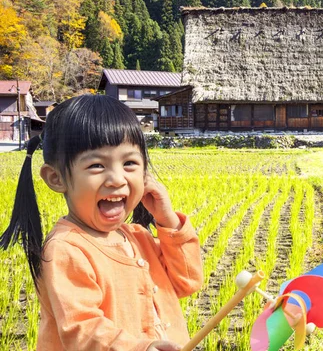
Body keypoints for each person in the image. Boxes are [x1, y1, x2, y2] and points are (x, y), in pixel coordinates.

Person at [0, 94, 203, 351]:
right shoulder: (67, 249)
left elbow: (188, 282)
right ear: (56, 178)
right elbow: (82, 329)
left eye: (129, 163)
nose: (117, 179)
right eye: (97, 165)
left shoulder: (139, 237)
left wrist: (168, 220)